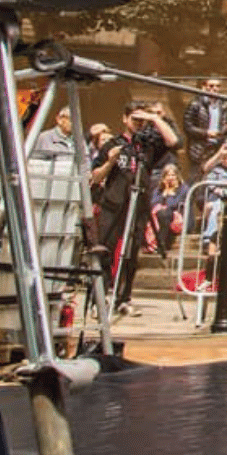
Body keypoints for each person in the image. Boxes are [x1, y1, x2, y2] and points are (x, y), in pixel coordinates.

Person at [92, 101, 178, 314]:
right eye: (134, 120)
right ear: (124, 118)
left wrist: (154, 119)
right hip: (113, 204)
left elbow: (173, 141)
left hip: (138, 204)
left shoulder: (148, 145)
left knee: (131, 254)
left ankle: (124, 298)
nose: (138, 124)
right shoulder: (113, 143)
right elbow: (95, 176)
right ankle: (99, 300)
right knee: (105, 252)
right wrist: (110, 162)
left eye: (141, 121)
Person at [182, 78, 227, 180]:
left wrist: (223, 132)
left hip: (216, 147)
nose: (214, 89)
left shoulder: (223, 105)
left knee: (215, 177)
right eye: (211, 86)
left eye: (217, 86)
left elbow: (225, 124)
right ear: (204, 87)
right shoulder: (195, 104)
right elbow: (187, 126)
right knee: (197, 178)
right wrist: (206, 133)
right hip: (199, 148)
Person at [149, 165, 188, 259]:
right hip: (160, 217)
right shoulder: (158, 190)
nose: (170, 178)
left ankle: (161, 243)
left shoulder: (183, 189)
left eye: (173, 175)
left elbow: (174, 205)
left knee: (165, 213)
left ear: (177, 176)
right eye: (168, 175)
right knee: (162, 214)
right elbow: (153, 204)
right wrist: (165, 192)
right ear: (164, 177)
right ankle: (160, 243)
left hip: (177, 217)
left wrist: (170, 194)